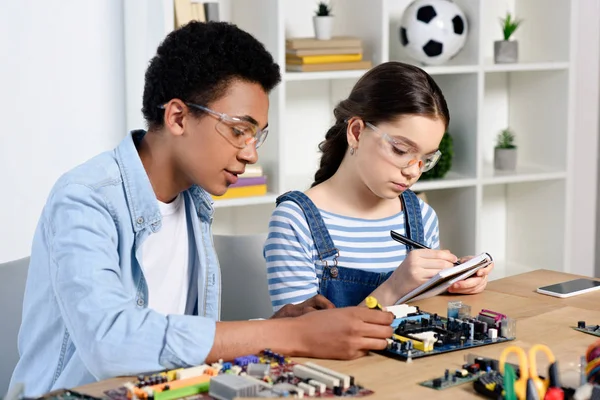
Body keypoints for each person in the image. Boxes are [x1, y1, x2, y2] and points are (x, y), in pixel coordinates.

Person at [9, 21, 394, 397]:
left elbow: (177, 341)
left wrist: (271, 326)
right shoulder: (84, 199)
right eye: (239, 130)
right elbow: (113, 345)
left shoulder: (195, 202)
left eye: (257, 134)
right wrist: (291, 335)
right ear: (177, 117)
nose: (250, 153)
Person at [264, 61, 494, 311]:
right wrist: (394, 288)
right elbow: (297, 338)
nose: (413, 171)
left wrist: (452, 283)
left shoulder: (421, 217)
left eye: (426, 159)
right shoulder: (296, 221)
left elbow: (424, 319)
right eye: (401, 149)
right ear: (356, 132)